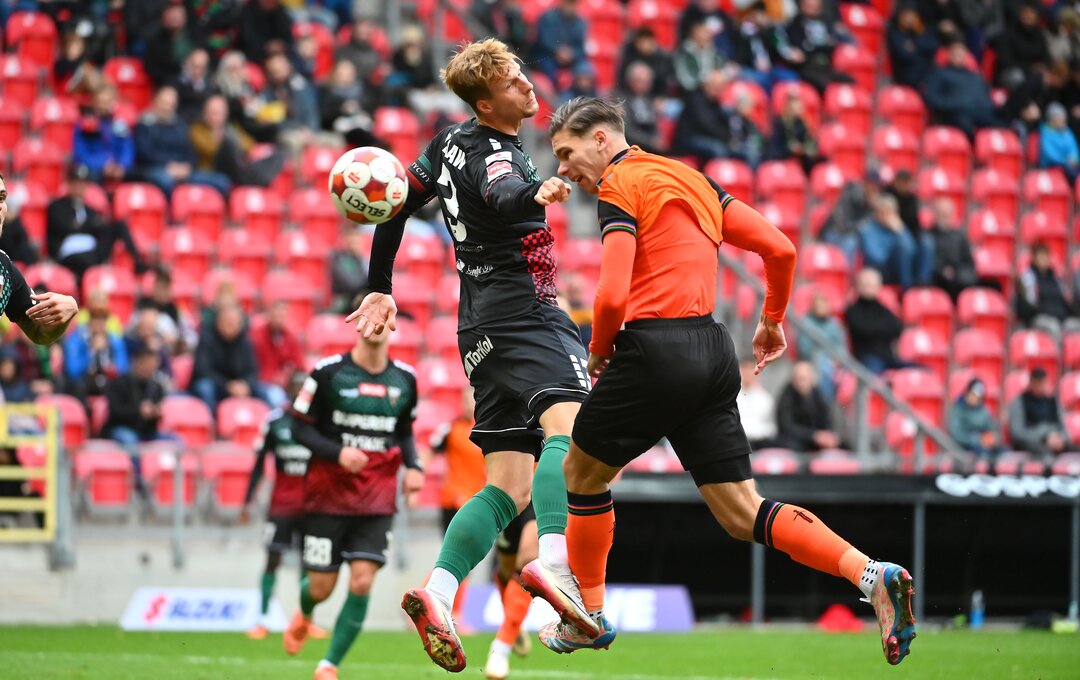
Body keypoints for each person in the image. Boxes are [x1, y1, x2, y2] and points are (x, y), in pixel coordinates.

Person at [539, 97, 915, 665]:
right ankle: (869, 573)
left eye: (567, 153)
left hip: (654, 349)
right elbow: (780, 248)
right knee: (743, 512)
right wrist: (772, 319)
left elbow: (611, 296)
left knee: (580, 474)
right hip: (713, 352)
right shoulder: (694, 180)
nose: (564, 169)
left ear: (600, 139)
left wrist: (599, 351)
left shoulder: (620, 183)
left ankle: (588, 614)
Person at [346, 39, 597, 672]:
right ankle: (556, 567)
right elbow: (504, 191)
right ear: (486, 103)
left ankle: (438, 590)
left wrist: (380, 284)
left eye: (521, 73)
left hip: (477, 330)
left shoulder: (445, 143)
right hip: (527, 314)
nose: (527, 85)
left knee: (506, 485)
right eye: (513, 82)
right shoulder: (497, 154)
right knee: (572, 432)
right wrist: (534, 195)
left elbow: (396, 203)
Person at [283, 298, 425, 680]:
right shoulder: (327, 373)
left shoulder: (406, 379)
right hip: (327, 498)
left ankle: (328, 665)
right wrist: (337, 453)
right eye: (371, 315)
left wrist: (414, 467)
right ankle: (305, 612)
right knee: (321, 588)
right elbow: (298, 427)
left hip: (377, 498)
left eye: (385, 315)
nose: (377, 323)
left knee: (362, 580)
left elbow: (404, 433)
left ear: (394, 324)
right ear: (357, 321)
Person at [429, 387, 534, 680]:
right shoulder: (473, 421)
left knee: (528, 562)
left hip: (541, 487)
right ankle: (511, 618)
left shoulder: (552, 384)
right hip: (508, 491)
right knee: (507, 570)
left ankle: (501, 647)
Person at [240, 372, 327, 642]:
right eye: (296, 387)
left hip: (312, 506)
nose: (300, 393)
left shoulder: (320, 422)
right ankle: (262, 619)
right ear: (288, 390)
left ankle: (305, 620)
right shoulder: (275, 422)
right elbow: (258, 464)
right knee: (272, 559)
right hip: (282, 506)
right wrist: (247, 500)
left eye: (304, 388)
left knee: (309, 563)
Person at [46, 164, 144, 286]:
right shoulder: (57, 206)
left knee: (118, 225)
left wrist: (87, 226)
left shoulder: (90, 210)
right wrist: (88, 226)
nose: (79, 187)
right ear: (69, 184)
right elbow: (63, 228)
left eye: (83, 184)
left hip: (92, 250)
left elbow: (96, 229)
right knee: (87, 261)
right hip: (70, 252)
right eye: (76, 183)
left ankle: (138, 261)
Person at [844, 268, 909, 374]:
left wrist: (875, 328)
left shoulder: (883, 309)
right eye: (865, 284)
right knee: (874, 376)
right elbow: (862, 330)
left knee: (922, 371)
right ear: (858, 286)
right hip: (867, 358)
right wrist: (883, 329)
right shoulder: (853, 310)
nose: (868, 288)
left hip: (889, 358)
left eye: (871, 285)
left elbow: (897, 328)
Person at [1008, 367, 1071, 462]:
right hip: (1031, 443)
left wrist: (1060, 439)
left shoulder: (1053, 402)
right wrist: (1044, 437)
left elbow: (1064, 430)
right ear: (1031, 383)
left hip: (1054, 441)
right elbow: (1018, 433)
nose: (1041, 386)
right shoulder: (1019, 402)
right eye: (1038, 382)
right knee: (1045, 454)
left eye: (1043, 382)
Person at [776, 360, 840, 453]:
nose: (801, 383)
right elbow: (787, 427)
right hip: (795, 441)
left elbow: (826, 418)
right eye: (798, 378)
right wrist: (813, 436)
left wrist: (827, 436)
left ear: (811, 378)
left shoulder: (817, 394)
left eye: (804, 378)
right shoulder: (786, 397)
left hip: (815, 440)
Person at [948, 377, 1003, 464]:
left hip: (983, 446)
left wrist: (992, 438)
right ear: (967, 392)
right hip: (964, 449)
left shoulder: (983, 410)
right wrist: (976, 439)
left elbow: (992, 427)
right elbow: (957, 434)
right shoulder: (958, 409)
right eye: (973, 394)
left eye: (978, 397)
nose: (974, 398)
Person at [737, 358, 778, 450]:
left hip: (759, 443)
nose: (748, 373)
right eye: (745, 369)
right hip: (737, 441)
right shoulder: (731, 396)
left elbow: (771, 427)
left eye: (751, 369)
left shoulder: (765, 398)